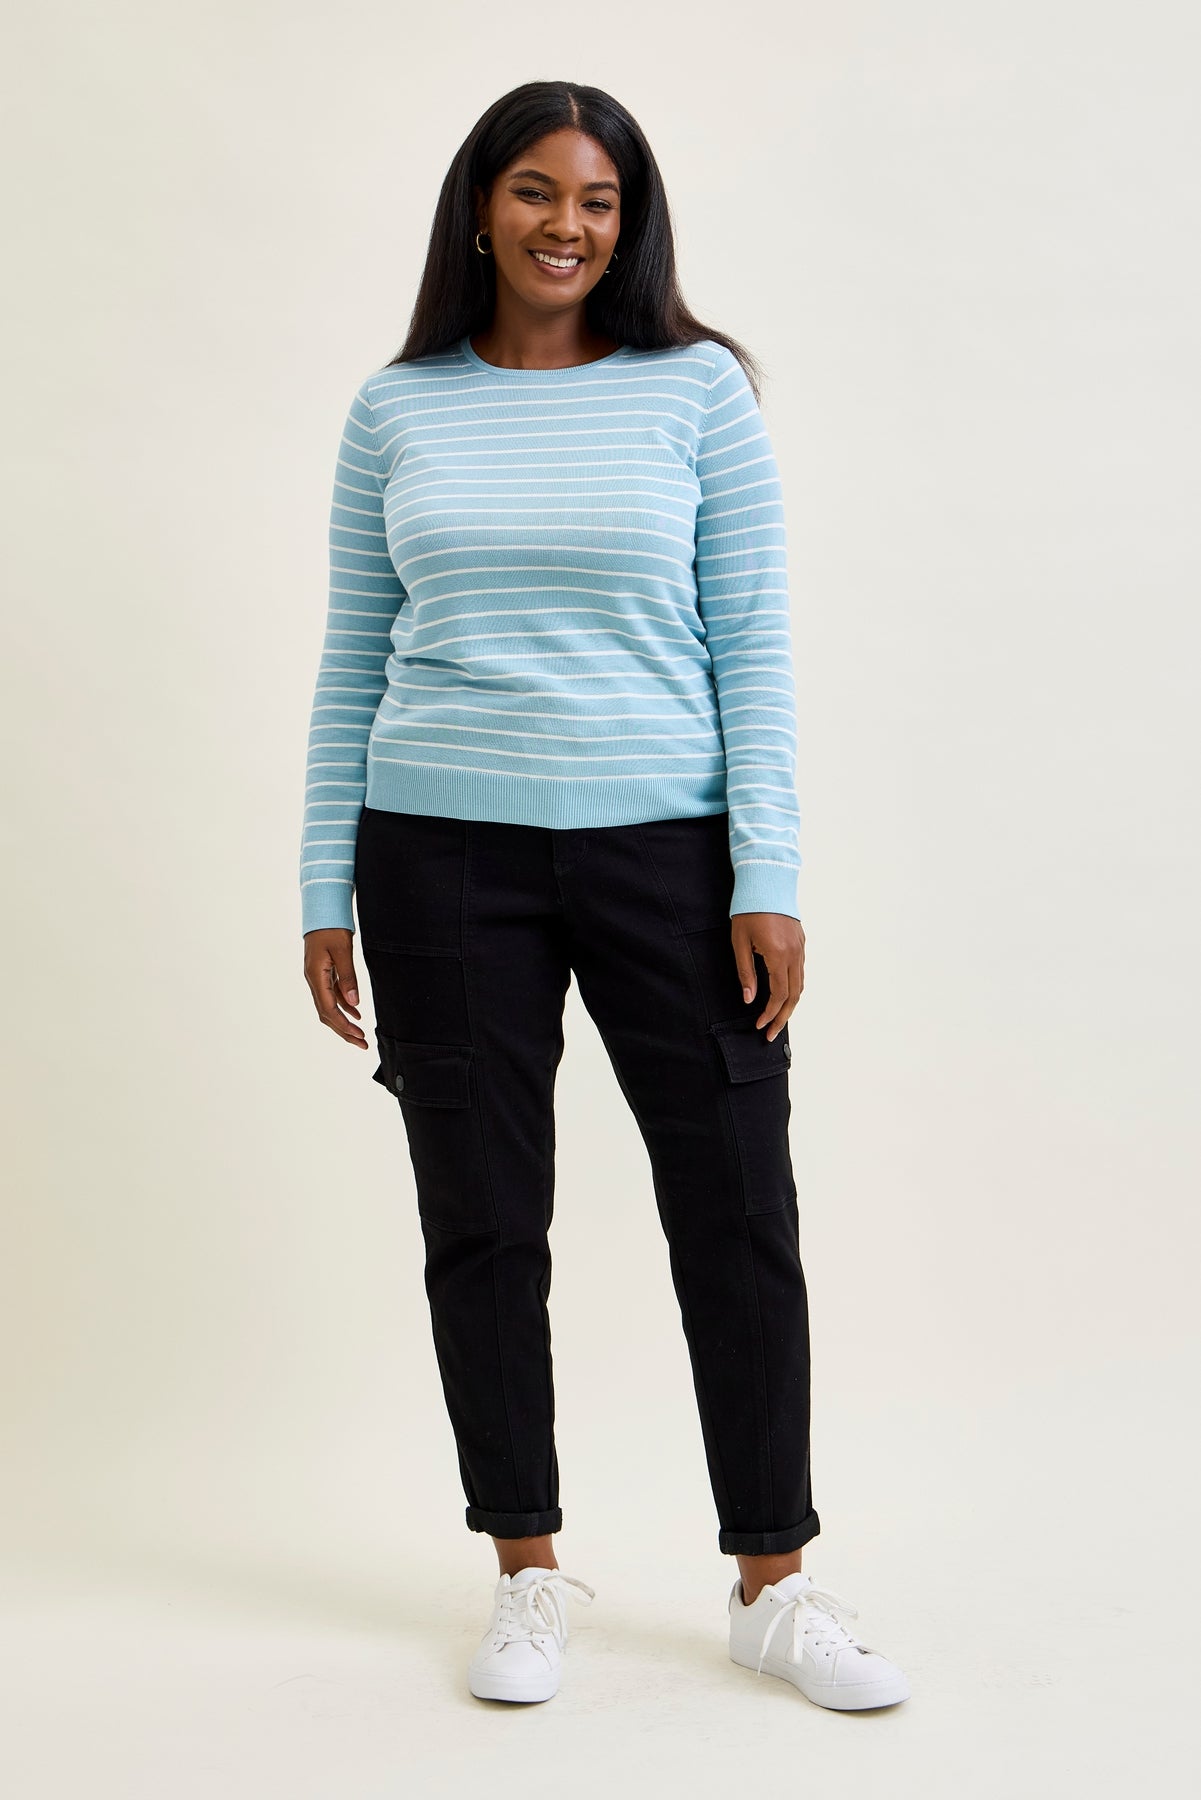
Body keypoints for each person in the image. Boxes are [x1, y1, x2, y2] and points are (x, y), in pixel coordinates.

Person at [299, 78, 910, 1713]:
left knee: (736, 1208)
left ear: (628, 224)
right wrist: (320, 886)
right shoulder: (397, 407)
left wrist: (766, 874)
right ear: (478, 209)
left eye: (598, 199)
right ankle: (525, 1566)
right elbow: (355, 653)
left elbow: (751, 644)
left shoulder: (694, 390)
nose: (564, 225)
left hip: (668, 854)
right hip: (438, 852)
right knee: (483, 1221)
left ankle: (772, 1582)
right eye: (534, 191)